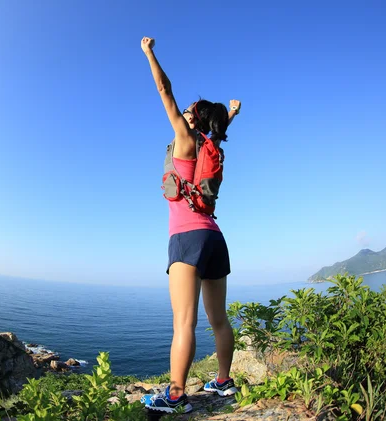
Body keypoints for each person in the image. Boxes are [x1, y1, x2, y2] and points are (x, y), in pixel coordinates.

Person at [139, 36, 241, 414]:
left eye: (186, 111)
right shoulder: (211, 147)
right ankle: (223, 381)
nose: (180, 112)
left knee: (184, 323)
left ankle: (177, 395)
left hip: (187, 237)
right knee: (219, 320)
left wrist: (149, 53)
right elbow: (218, 127)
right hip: (215, 238)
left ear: (192, 118)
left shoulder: (183, 138)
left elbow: (164, 90)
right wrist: (232, 114)